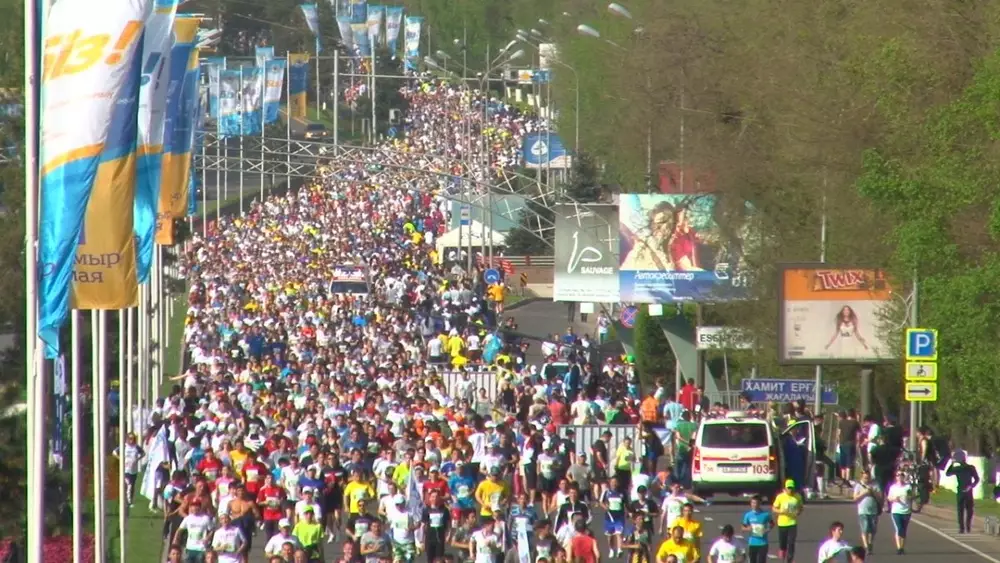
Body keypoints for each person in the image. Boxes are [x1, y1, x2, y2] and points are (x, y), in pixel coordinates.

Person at [946, 450, 981, 533]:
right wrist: (971, 486)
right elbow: (977, 479)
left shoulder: (958, 469)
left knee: (961, 510)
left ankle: (962, 528)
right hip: (968, 490)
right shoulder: (970, 468)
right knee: (969, 510)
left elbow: (948, 473)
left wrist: (952, 463)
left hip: (961, 490)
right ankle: (967, 526)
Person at [771, 479, 803, 563]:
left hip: (792, 522)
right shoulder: (780, 497)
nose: (790, 490)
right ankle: (782, 554)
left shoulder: (798, 497)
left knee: (791, 542)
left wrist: (798, 512)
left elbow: (800, 507)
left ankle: (790, 560)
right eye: (788, 488)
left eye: (791, 488)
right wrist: (781, 511)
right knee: (783, 543)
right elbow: (774, 508)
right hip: (782, 523)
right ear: (785, 488)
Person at [851, 473, 880, 554]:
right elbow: (855, 498)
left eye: (868, 478)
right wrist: (864, 493)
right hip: (863, 511)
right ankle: (866, 546)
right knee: (865, 528)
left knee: (873, 529)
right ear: (862, 478)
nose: (866, 479)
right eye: (865, 478)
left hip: (873, 511)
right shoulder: (858, 486)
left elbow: (880, 497)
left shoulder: (875, 485)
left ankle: (870, 543)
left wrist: (873, 492)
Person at [886, 469, 913, 555]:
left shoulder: (908, 487)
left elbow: (911, 496)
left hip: (906, 511)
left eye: (901, 475)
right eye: (898, 475)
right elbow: (889, 498)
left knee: (904, 530)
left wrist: (909, 497)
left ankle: (902, 547)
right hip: (896, 511)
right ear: (896, 477)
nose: (900, 476)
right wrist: (894, 499)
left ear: (903, 477)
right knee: (899, 529)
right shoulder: (893, 487)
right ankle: (898, 547)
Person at [740, 495, 773, 563]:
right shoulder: (748, 515)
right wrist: (748, 529)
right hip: (752, 543)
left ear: (760, 503)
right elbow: (742, 528)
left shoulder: (766, 514)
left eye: (756, 503)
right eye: (753, 503)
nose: (754, 505)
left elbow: (772, 524)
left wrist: (767, 530)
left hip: (763, 543)